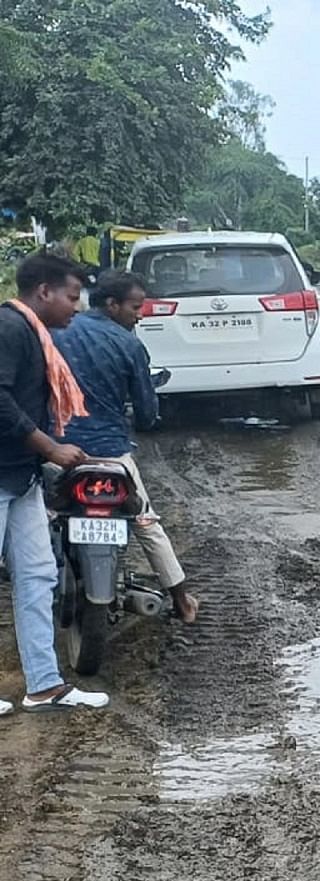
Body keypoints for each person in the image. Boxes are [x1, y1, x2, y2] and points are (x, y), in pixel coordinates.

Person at [53, 271, 199, 624]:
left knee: (43, 519)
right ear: (112, 304)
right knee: (146, 522)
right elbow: (148, 415)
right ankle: (181, 599)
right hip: (111, 453)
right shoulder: (130, 346)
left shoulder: (55, 333)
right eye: (136, 307)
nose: (141, 314)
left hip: (56, 449)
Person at [0, 253, 110, 713]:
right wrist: (49, 447)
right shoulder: (9, 329)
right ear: (43, 292)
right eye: (71, 296)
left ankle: (44, 685)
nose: (77, 306)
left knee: (40, 575)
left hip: (20, 477)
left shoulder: (34, 334)